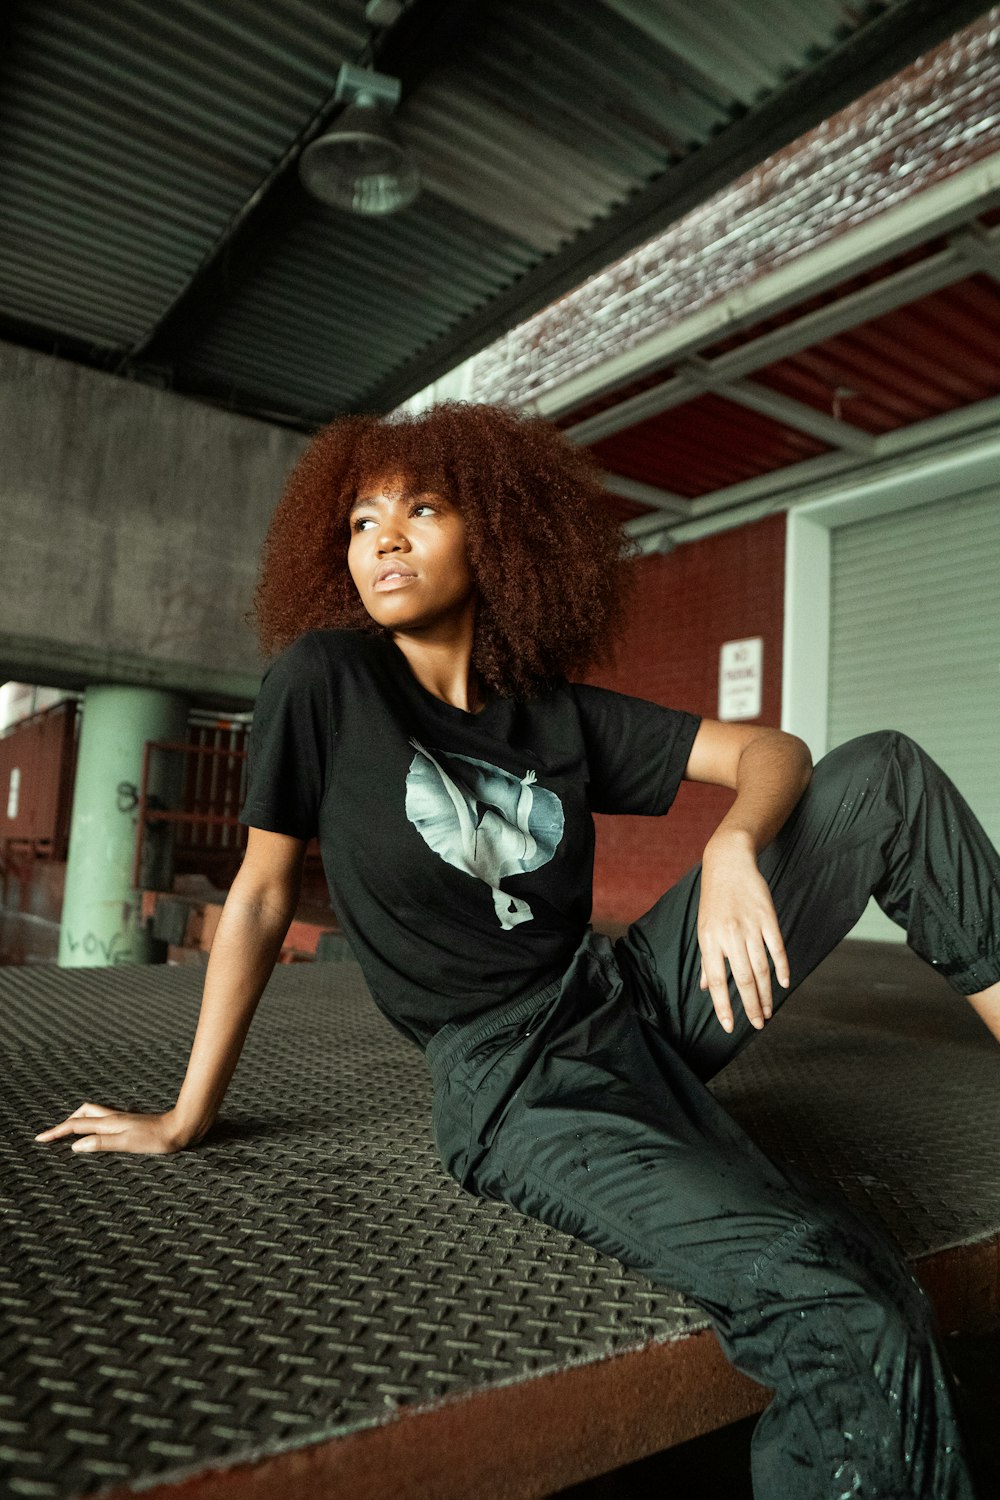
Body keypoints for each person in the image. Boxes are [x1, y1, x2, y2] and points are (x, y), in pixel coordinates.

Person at [35, 402, 1000, 1498]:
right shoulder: (327, 682)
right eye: (360, 520)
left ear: (494, 533)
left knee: (883, 775)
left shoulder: (554, 713)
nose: (383, 538)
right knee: (841, 1303)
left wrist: (735, 845)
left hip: (628, 997)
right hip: (517, 1078)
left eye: (421, 509)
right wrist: (186, 1110)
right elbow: (258, 895)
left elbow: (775, 749)